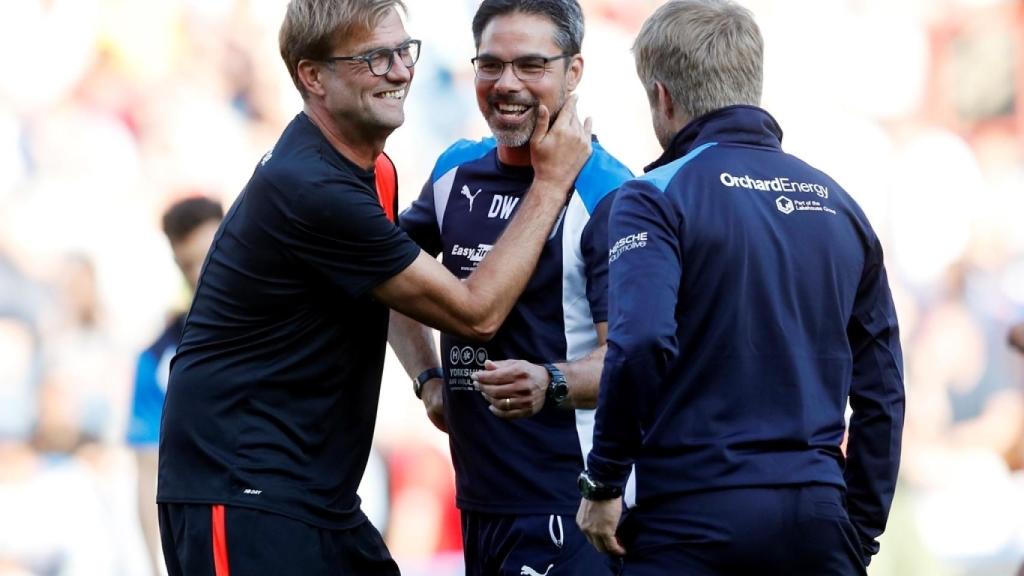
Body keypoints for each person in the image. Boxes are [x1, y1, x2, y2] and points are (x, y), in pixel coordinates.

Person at [155, 0, 593, 574]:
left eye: (402, 51)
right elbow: (476, 311)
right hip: (240, 488)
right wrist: (552, 180)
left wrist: (428, 376)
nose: (399, 72)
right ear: (312, 76)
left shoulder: (369, 169)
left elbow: (392, 284)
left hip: (317, 495)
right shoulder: (312, 187)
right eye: (373, 58)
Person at [575, 1, 905, 575]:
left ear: (662, 96)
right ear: (751, 84)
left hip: (689, 522)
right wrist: (859, 534)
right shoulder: (838, 204)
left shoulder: (652, 197)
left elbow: (643, 341)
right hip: (818, 524)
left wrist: (603, 478)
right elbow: (883, 393)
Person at [389, 1, 632, 574]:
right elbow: (387, 278)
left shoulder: (610, 193)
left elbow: (630, 358)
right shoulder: (455, 170)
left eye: (531, 66)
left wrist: (551, 383)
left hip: (569, 506)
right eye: (491, 65)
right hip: (477, 500)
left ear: (574, 72)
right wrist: (426, 377)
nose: (507, 85)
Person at [126, 195, 223, 576]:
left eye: (209, 254)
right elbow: (148, 467)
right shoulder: (157, 357)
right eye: (187, 264)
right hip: (201, 532)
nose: (201, 273)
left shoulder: (281, 324)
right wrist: (155, 567)